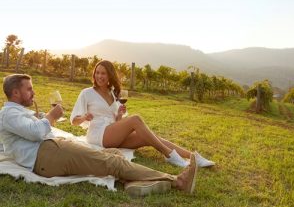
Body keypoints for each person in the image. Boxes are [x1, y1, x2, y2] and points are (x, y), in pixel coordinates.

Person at [0, 74, 198, 196]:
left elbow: (31, 128)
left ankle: (130, 181)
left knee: (114, 153)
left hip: (52, 149)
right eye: (29, 89)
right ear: (15, 93)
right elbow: (36, 133)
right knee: (112, 162)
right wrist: (50, 116)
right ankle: (177, 181)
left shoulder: (16, 113)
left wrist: (41, 116)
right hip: (47, 155)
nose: (33, 93)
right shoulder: (8, 113)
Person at [70, 60, 215, 168]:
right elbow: (74, 121)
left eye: (104, 73)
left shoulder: (113, 94)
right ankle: (170, 155)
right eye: (97, 72)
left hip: (113, 134)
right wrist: (84, 117)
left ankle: (193, 157)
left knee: (150, 137)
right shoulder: (87, 93)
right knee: (136, 119)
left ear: (109, 76)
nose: (100, 76)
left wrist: (120, 114)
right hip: (98, 135)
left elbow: (115, 121)